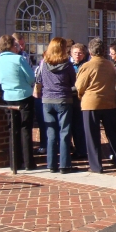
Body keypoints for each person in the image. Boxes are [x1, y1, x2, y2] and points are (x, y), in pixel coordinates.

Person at [75, 38, 116, 173]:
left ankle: (96, 165)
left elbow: (79, 86)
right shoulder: (110, 65)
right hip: (109, 102)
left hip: (91, 103)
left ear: (90, 52)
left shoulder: (87, 66)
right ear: (103, 51)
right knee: (112, 134)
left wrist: (81, 96)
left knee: (92, 136)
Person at [0, 35, 36, 170]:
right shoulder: (19, 59)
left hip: (8, 97)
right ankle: (28, 163)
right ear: (12, 46)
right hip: (24, 96)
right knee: (25, 129)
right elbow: (31, 77)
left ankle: (15, 163)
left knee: (13, 129)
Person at [37, 37, 76, 173]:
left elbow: (39, 79)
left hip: (47, 100)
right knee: (64, 132)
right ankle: (65, 165)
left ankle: (51, 164)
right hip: (63, 99)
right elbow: (73, 82)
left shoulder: (43, 63)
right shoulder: (67, 65)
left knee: (51, 133)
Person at [69, 43, 88, 160]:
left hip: (81, 98)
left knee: (79, 126)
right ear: (71, 53)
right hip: (70, 98)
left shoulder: (85, 66)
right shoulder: (68, 65)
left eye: (80, 53)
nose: (77, 55)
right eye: (75, 53)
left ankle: (81, 150)